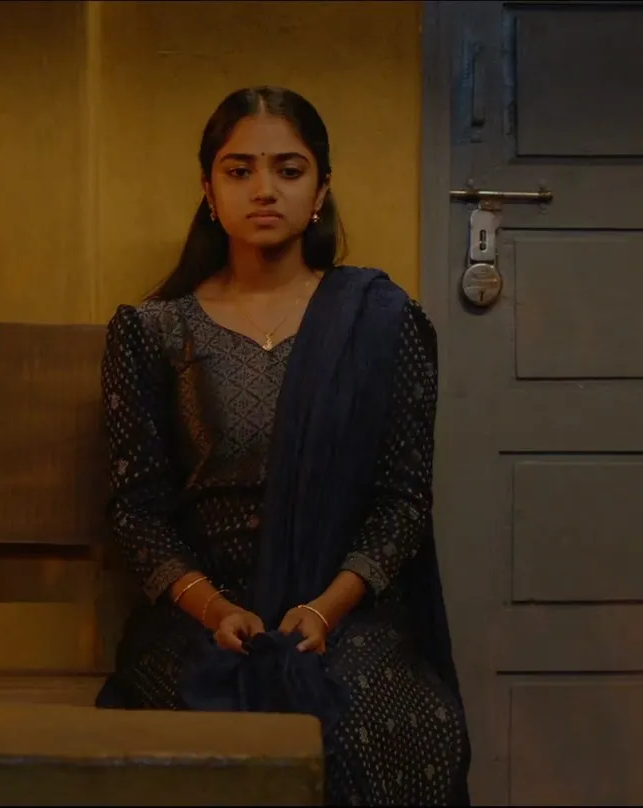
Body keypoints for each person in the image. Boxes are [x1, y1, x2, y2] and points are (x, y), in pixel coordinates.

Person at [92, 85, 471, 806]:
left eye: (289, 170)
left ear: (321, 189)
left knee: (400, 730)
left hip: (342, 611)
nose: (264, 189)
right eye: (239, 170)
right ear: (209, 190)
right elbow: (136, 509)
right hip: (201, 614)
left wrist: (325, 610)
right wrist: (214, 610)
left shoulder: (382, 322)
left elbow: (402, 502)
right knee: (204, 722)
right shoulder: (152, 331)